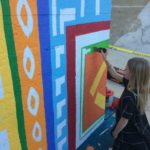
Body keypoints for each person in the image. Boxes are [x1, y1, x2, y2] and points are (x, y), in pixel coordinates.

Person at [101, 50, 150, 150]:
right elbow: (114, 74)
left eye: (126, 69)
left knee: (123, 143)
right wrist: (105, 60)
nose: (123, 69)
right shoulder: (134, 84)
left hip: (129, 128)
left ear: (133, 75)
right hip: (138, 122)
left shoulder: (129, 97)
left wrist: (115, 132)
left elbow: (124, 120)